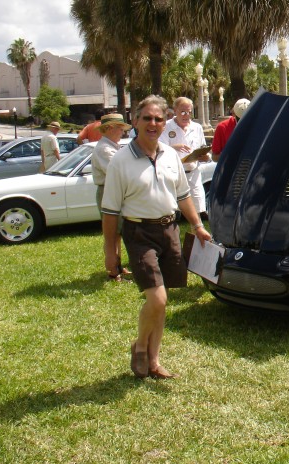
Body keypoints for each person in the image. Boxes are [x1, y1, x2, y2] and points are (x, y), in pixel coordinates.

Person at [101, 95, 211, 379]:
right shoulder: (120, 161)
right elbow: (111, 213)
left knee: (161, 300)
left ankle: (153, 360)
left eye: (158, 119)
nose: (153, 123)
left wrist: (197, 226)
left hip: (169, 230)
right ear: (135, 121)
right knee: (158, 299)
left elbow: (183, 195)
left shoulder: (171, 155)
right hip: (139, 233)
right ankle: (139, 346)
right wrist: (110, 252)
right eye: (147, 118)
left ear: (165, 123)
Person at [91, 113, 131, 281]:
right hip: (108, 191)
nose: (122, 132)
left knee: (118, 232)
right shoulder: (104, 149)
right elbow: (116, 172)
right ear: (108, 128)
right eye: (119, 128)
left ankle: (118, 266)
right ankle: (113, 270)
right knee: (112, 233)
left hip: (116, 192)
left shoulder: (112, 146)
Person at [159, 97, 210, 216]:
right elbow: (158, 150)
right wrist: (174, 147)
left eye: (189, 112)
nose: (186, 115)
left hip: (193, 174)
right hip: (173, 175)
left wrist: (205, 157)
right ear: (175, 110)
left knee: (197, 211)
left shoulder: (196, 127)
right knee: (172, 212)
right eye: (183, 112)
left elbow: (202, 148)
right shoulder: (166, 127)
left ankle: (197, 234)